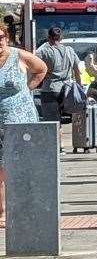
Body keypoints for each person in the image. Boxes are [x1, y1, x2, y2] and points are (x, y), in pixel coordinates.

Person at [0, 30, 48, 229]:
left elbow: (42, 69)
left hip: (19, 117)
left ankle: (16, 208)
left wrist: (29, 87)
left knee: (12, 164)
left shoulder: (18, 55)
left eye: (0, 38)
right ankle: (2, 209)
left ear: (6, 38)